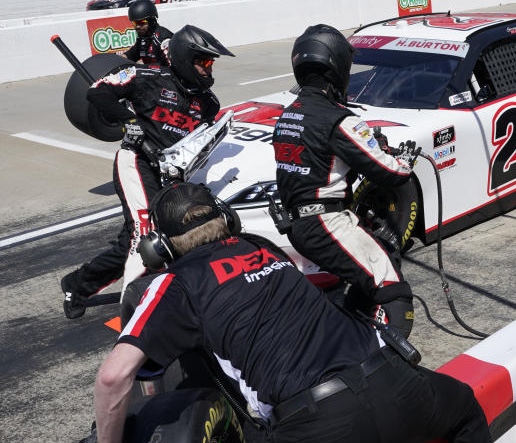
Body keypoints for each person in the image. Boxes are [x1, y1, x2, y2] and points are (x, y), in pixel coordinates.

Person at [94, 182, 492, 443]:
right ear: (226, 220)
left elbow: (113, 378)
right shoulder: (262, 248)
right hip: (397, 387)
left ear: (160, 249)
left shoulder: (175, 282)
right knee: (464, 408)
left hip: (314, 423)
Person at [59, 26, 233, 319]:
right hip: (136, 162)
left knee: (141, 240)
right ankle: (136, 314)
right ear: (183, 59)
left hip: (172, 173)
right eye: (203, 62)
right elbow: (97, 92)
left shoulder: (208, 103)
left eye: (210, 63)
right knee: (146, 237)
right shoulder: (145, 78)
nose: (208, 69)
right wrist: (129, 121)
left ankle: (77, 284)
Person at [273, 25, 418, 336]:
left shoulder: (288, 114)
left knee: (374, 263)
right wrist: (404, 160)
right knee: (392, 289)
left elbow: (320, 162)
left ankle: (346, 335)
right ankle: (386, 369)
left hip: (297, 225)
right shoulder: (340, 118)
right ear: (337, 67)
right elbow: (390, 173)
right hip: (326, 223)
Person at [124, 0, 172, 65]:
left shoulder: (163, 40)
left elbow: (173, 68)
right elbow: (130, 55)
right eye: (135, 23)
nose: (137, 27)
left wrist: (144, 70)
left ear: (151, 21)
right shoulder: (143, 39)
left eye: (141, 23)